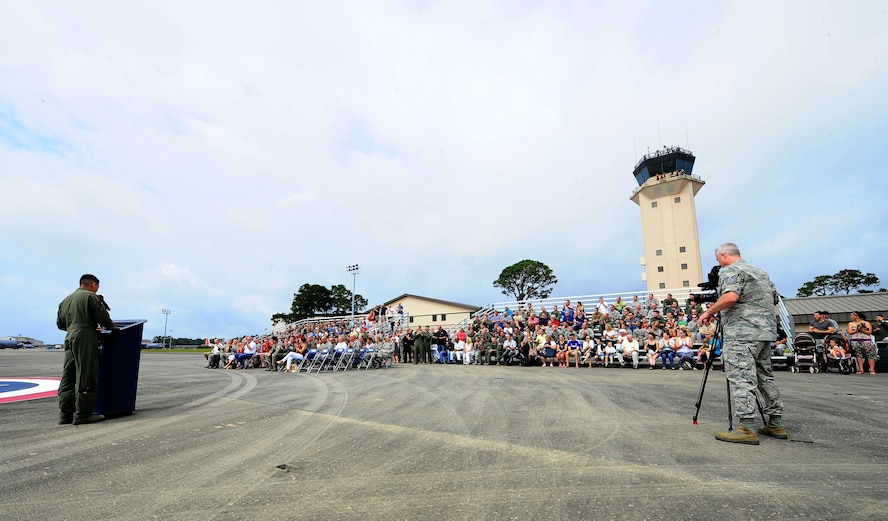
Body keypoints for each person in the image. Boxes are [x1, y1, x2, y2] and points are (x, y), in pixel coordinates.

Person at [699, 243, 785, 445]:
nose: (718, 263)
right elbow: (773, 298)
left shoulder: (731, 270)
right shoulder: (760, 272)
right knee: (765, 377)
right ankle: (776, 422)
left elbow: (731, 296)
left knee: (741, 378)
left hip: (741, 333)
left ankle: (747, 427)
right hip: (764, 332)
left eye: (718, 259)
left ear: (723, 255)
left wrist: (709, 312)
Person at [56, 274, 117, 425]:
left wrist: (75, 326)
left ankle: (65, 414)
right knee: (86, 373)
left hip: (70, 336)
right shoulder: (90, 297)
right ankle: (83, 414)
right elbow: (102, 316)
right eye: (97, 286)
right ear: (93, 285)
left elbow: (60, 324)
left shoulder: (66, 300)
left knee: (69, 375)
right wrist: (112, 327)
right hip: (85, 337)